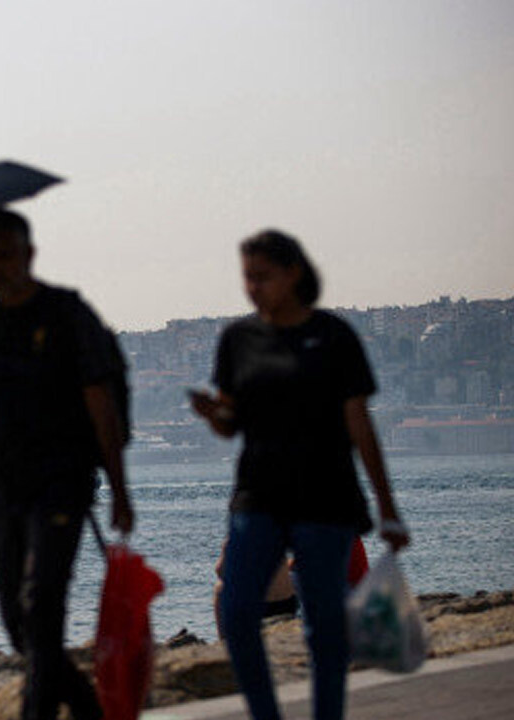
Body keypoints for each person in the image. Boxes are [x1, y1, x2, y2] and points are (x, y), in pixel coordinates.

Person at [189, 229, 410, 720]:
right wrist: (212, 414)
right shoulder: (238, 339)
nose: (253, 287)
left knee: (324, 628)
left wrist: (387, 507)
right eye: (247, 278)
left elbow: (359, 423)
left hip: (325, 498)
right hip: (257, 496)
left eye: (263, 277)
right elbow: (231, 424)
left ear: (294, 274)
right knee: (237, 610)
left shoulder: (333, 336)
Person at [0, 208, 134, 720]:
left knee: (42, 610)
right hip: (2, 489)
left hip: (61, 482)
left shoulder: (66, 313)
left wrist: (120, 487)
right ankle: (91, 713)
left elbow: (100, 400)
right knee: (20, 627)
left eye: (4, 255)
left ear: (29, 254)